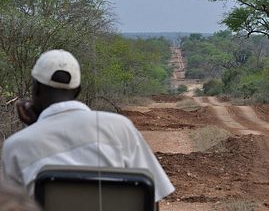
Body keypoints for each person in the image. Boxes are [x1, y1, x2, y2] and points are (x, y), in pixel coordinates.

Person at [1, 49, 175, 202]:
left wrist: (35, 128)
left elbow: (11, 206)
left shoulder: (16, 147)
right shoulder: (120, 127)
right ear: (78, 90)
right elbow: (152, 197)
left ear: (36, 88)